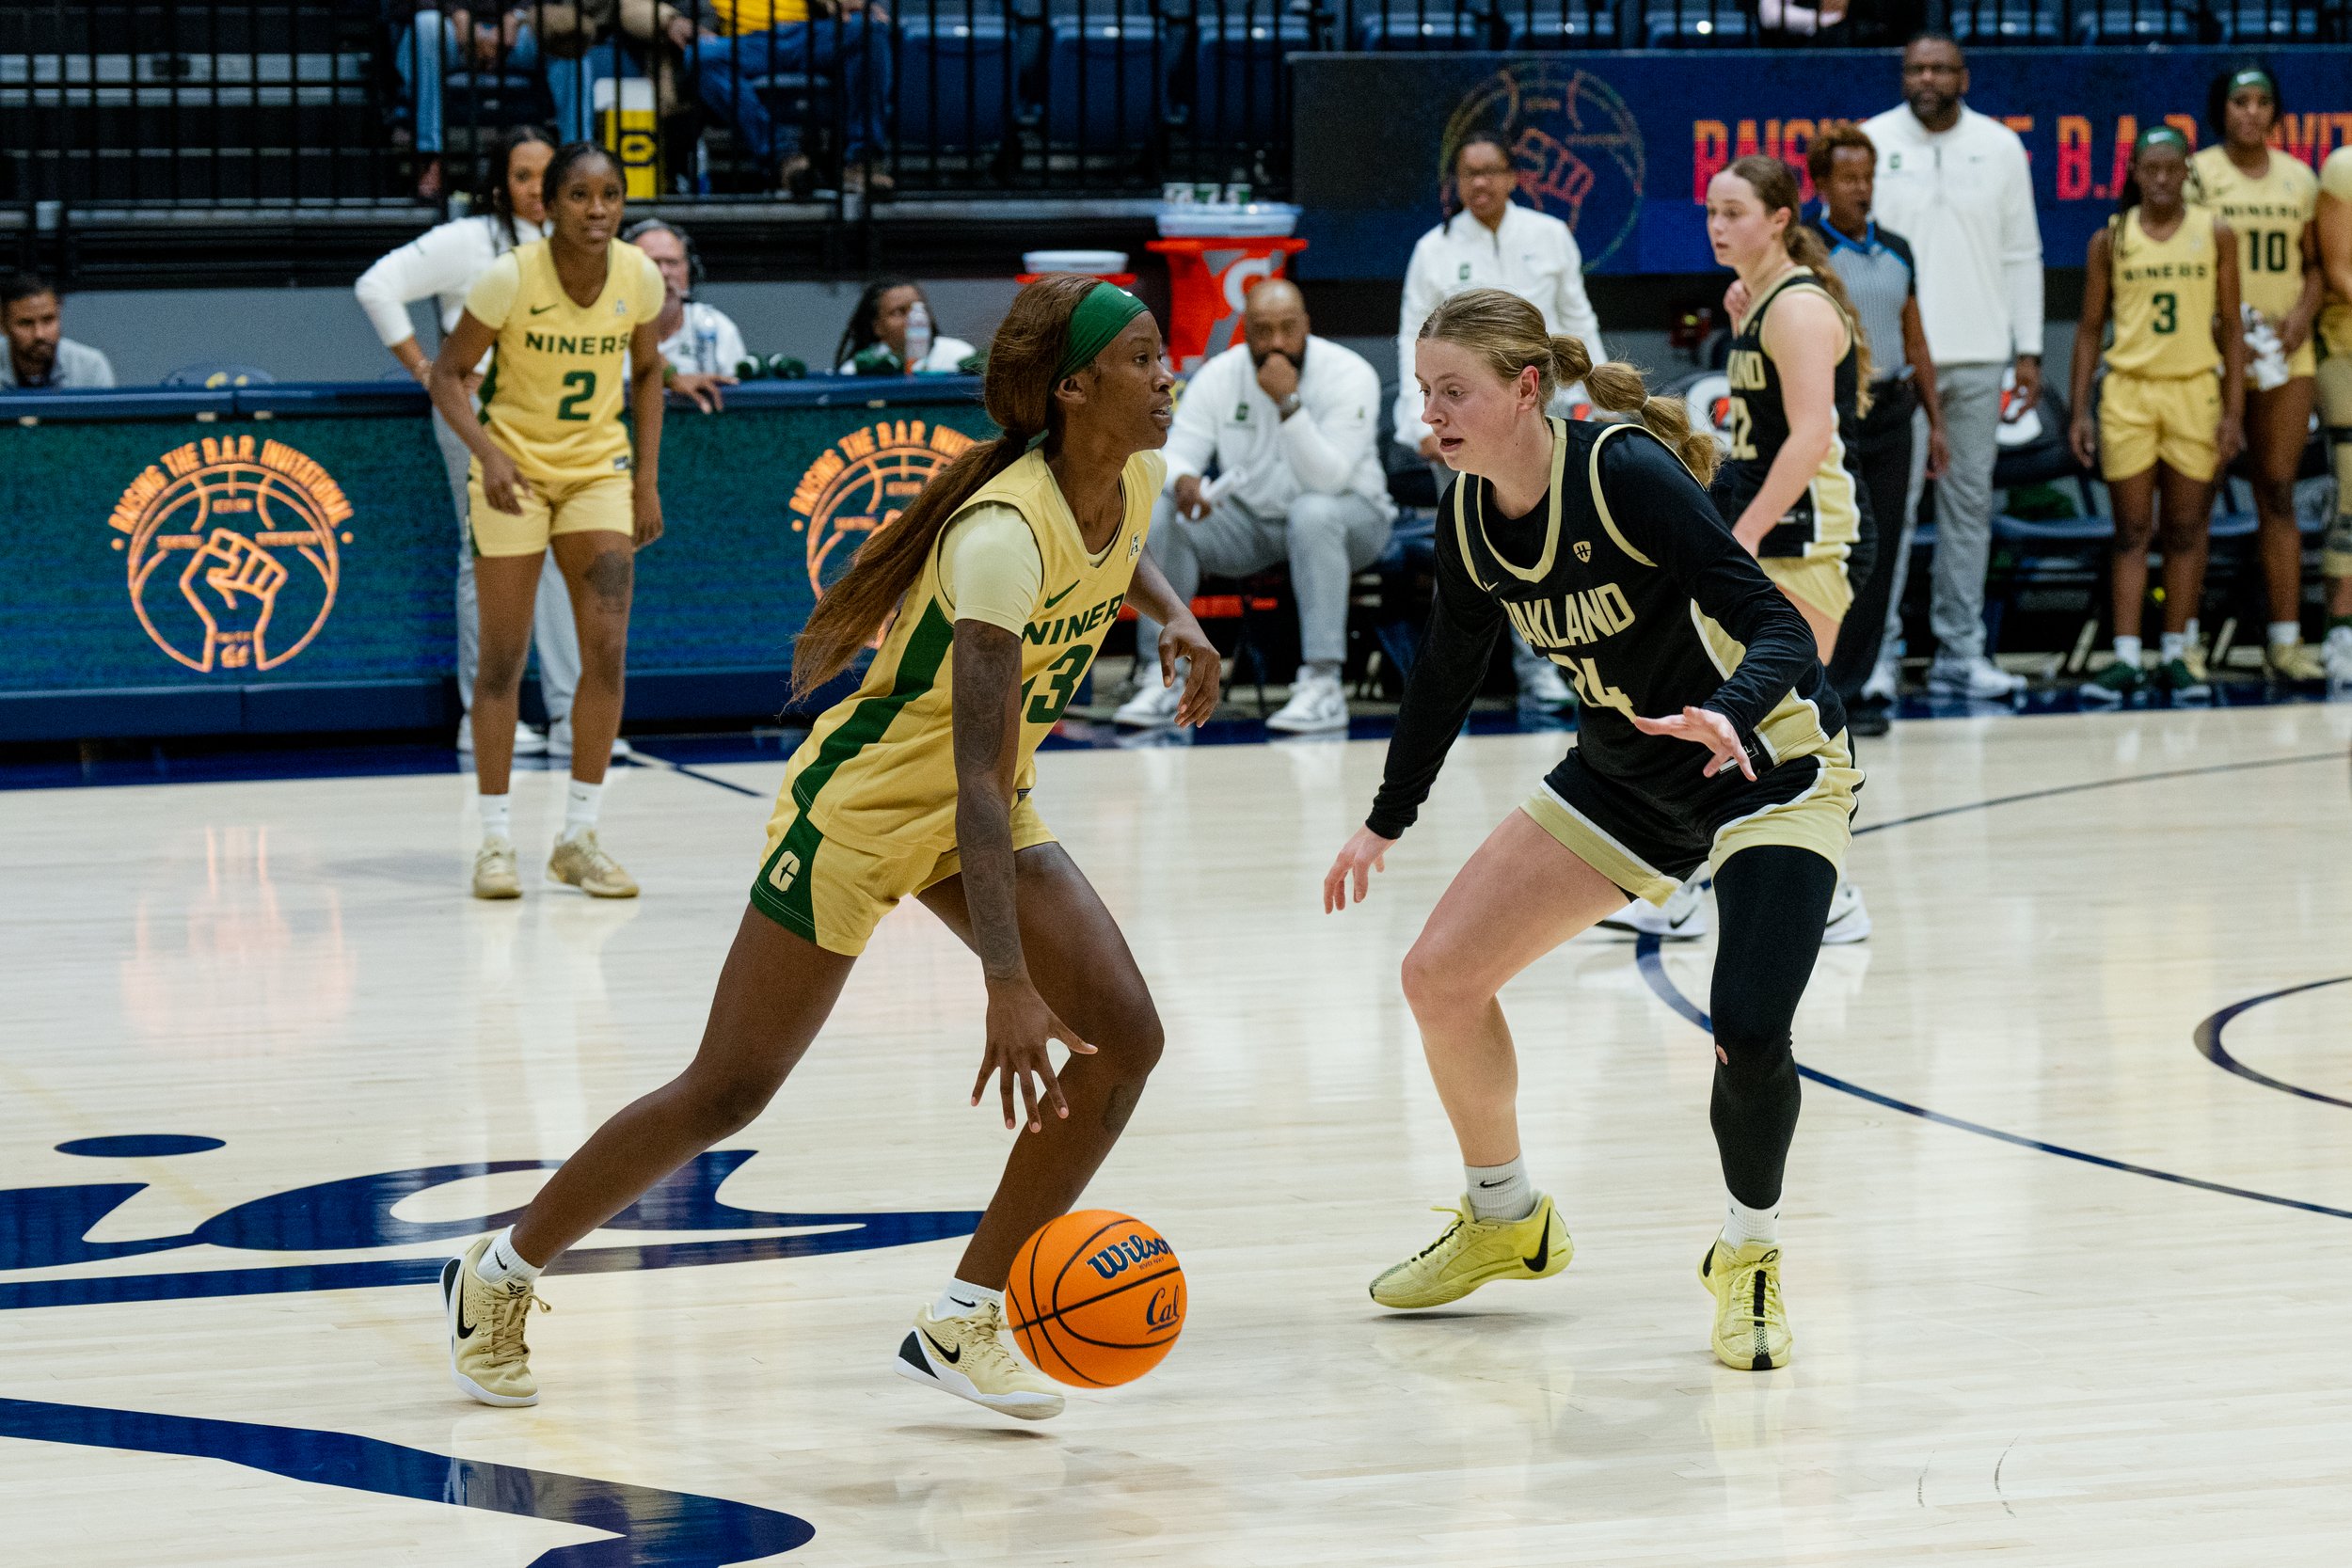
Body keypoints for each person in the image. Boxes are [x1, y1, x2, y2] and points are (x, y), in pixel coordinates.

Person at [436, 277, 1224, 1422]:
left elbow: (1117, 548)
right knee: (728, 1089)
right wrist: (1006, 981)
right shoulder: (1000, 538)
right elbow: (970, 779)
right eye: (1143, 358)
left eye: (1162, 356)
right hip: (862, 816)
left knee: (1127, 1035)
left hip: (985, 813)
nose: (1167, 374)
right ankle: (498, 1269)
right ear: (1071, 389)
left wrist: (1176, 615)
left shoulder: (1130, 479)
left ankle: (966, 1313)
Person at [1323, 288, 1855, 1373]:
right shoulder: (1469, 512)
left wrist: (1729, 710)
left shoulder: (1623, 474)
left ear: (1526, 389)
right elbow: (1445, 675)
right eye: (1423, 391)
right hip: (1624, 779)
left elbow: (1776, 626)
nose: (1431, 414)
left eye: (1453, 391)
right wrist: (1385, 819)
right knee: (1439, 976)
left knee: (1749, 1027)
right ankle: (1504, 1217)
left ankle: (1747, 1253)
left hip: (1764, 765)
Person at [1610, 156, 1873, 946]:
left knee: (1789, 720)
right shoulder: (1760, 302)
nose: (1718, 226)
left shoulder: (1796, 307)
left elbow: (1812, 436)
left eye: (1734, 213)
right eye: (1711, 213)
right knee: (1738, 712)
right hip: (1774, 526)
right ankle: (1692, 882)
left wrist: (1746, 534)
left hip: (1808, 535)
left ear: (1780, 219)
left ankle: (1827, 893)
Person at [428, 142, 668, 899]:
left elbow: (649, 370)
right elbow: (446, 376)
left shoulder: (639, 274)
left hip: (598, 472)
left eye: (611, 195)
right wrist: (489, 455)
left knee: (608, 652)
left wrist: (646, 481)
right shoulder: (509, 277)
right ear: (551, 205)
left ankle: (579, 837)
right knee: (504, 660)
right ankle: (495, 842)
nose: (598, 210)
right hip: (515, 475)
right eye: (580, 196)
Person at [356, 126, 586, 763]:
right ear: (498, 186)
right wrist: (424, 369)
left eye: (546, 174)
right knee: (488, 557)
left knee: (562, 558)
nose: (536, 188)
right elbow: (376, 285)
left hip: (553, 417)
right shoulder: (468, 240)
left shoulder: (575, 240)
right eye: (521, 176)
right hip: (478, 413)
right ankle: (484, 718)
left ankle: (570, 717)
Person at [1118, 279, 1395, 733]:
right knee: (1167, 512)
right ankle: (1164, 677)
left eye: (1288, 328)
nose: (1276, 343)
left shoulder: (1349, 373)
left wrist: (1288, 404)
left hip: (1351, 518)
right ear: (1245, 331)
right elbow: (1176, 453)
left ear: (1307, 326)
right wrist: (1185, 479)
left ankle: (1322, 684)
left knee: (1313, 513)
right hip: (1251, 522)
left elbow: (1328, 480)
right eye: (1263, 330)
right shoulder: (1220, 375)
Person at [1396, 130, 1606, 712]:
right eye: (1469, 173)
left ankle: (1554, 670)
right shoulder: (1432, 250)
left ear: (1514, 177)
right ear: (1456, 183)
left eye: (1491, 171)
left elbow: (1578, 321)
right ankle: (1452, 685)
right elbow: (1411, 338)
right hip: (1462, 427)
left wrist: (1600, 398)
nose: (1481, 183)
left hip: (1542, 420)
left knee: (1558, 546)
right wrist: (1420, 422)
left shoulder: (1550, 235)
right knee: (1465, 559)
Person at [1863, 33, 2043, 702]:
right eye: (1916, 68)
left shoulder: (2000, 146)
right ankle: (1876, 655)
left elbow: (2022, 252)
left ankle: (1961, 654)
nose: (1928, 79)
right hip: (1898, 366)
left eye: (1940, 68)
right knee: (1890, 513)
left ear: (1964, 77)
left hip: (1979, 354)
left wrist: (2029, 348)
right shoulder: (1872, 140)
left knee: (1970, 508)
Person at [2071, 128, 2246, 705]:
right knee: (2130, 531)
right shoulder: (2111, 238)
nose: (2164, 178)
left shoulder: (2215, 232)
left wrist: (2234, 411)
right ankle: (2125, 656)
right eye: (2153, 168)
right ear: (2136, 173)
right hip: (2129, 393)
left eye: (2173, 167)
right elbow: (2089, 330)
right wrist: (2080, 411)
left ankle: (2176, 652)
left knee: (2187, 529)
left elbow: (2232, 328)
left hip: (2195, 389)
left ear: (2187, 171)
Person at [1804, 124, 1949, 733]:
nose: (1861, 188)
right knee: (1839, 551)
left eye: (1867, 177)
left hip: (1895, 412)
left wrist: (1935, 421)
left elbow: (1915, 337)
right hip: (1835, 414)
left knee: (1883, 551)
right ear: (1821, 183)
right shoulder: (1806, 248)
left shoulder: (1897, 249)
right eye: (1848, 178)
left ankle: (1857, 685)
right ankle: (1821, 683)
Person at [2189, 65, 2329, 684]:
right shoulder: (2198, 174)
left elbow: (2317, 264)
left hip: (2283, 354)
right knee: (2195, 497)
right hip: (2213, 353)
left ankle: (2285, 642)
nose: (2251, 112)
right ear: (2220, 110)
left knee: (2277, 490)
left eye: (2262, 101)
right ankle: (2183, 643)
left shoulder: (2300, 177)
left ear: (2276, 113)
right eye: (2239, 101)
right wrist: (2223, 330)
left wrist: (2301, 315)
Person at [662, 0, 894, 197]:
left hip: (806, 35)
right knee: (700, 56)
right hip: (740, 44)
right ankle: (784, 159)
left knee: (868, 29)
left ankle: (863, 162)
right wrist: (670, 20)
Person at [393, 7, 596, 201]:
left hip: (521, 33)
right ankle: (430, 158)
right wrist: (457, 13)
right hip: (451, 33)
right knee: (426, 25)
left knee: (569, 37)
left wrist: (516, 16)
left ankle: (576, 160)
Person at [623, 218, 743, 412]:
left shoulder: (718, 328)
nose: (664, 272)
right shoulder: (607, 326)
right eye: (652, 263)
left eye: (673, 262)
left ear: (690, 270)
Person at [2318, 141, 2352, 687]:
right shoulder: (2344, 168)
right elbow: (2339, 268)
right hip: (2344, 348)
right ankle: (2343, 632)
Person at [834, 277, 978, 374]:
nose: (914, 319)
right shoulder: (857, 371)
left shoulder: (958, 356)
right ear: (877, 327)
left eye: (919, 309)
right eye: (899, 312)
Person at [0, 273, 114, 389]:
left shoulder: (91, 366)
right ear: (3, 325)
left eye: (48, 320)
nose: (39, 334)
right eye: (26, 323)